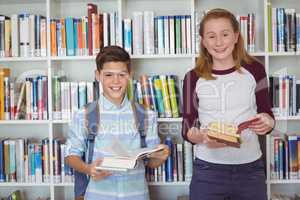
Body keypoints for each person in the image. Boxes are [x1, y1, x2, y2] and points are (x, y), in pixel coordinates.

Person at [182, 8, 275, 200]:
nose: (218, 42)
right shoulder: (192, 77)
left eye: (225, 34)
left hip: (250, 170)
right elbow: (187, 127)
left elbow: (267, 114)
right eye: (211, 36)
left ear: (236, 36)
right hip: (208, 171)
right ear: (203, 41)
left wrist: (267, 123)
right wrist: (199, 138)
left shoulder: (256, 70)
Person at [65, 45, 169, 200]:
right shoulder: (84, 114)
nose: (116, 81)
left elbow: (151, 162)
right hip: (97, 195)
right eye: (108, 75)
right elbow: (70, 156)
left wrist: (160, 157)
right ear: (98, 75)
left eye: (122, 74)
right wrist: (88, 169)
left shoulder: (147, 115)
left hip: (136, 195)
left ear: (129, 76)